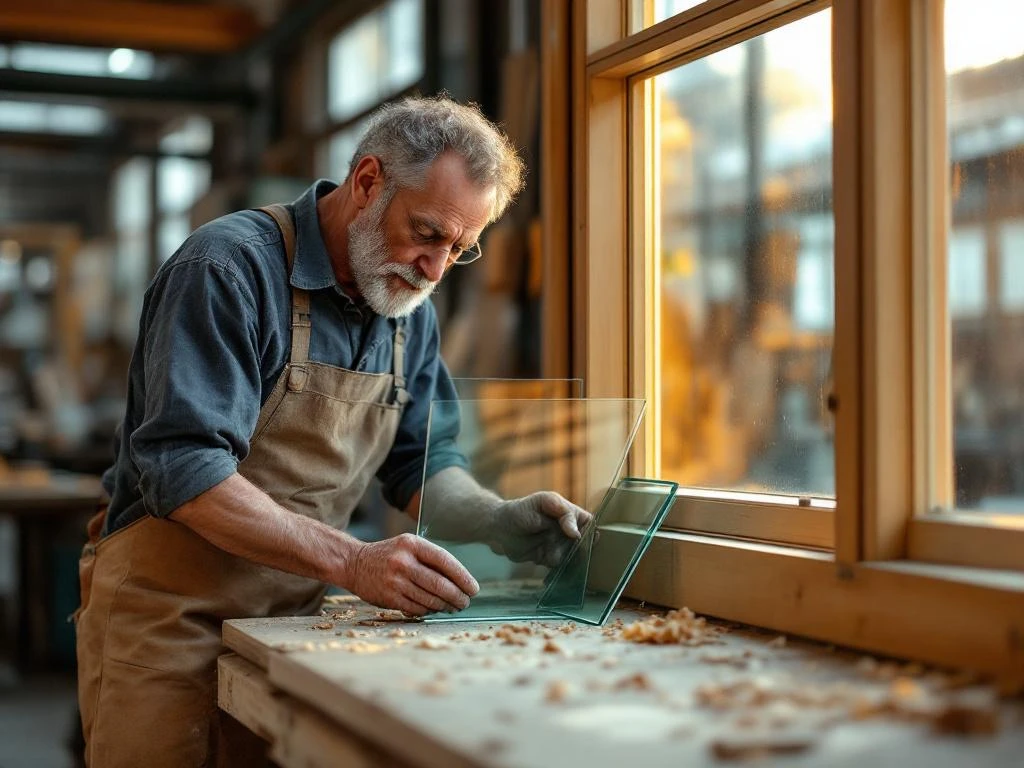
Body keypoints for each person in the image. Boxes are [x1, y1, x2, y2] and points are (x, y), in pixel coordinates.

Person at [75, 95, 591, 768]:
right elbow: (184, 469)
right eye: (429, 233)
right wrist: (354, 561)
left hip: (297, 622)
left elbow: (422, 460)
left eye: (459, 250)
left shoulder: (406, 308)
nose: (435, 269)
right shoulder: (228, 270)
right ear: (368, 182)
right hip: (170, 617)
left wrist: (494, 519)